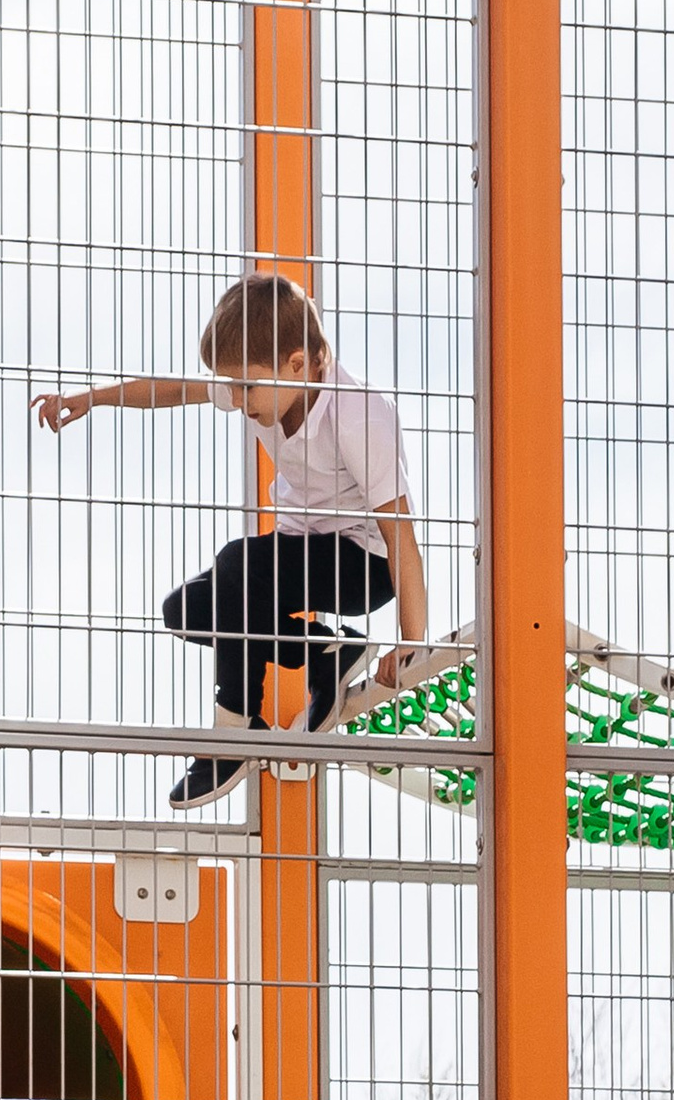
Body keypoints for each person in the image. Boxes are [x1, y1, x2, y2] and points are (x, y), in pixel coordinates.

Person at [36, 274, 429, 808]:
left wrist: (412, 637)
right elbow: (172, 390)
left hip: (364, 566)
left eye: (246, 387)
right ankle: (324, 656)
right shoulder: (269, 378)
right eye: (231, 386)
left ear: (298, 363)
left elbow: (400, 533)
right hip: (299, 553)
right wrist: (92, 399)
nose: (237, 400)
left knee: (235, 565)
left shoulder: (358, 414)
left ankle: (231, 736)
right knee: (188, 608)